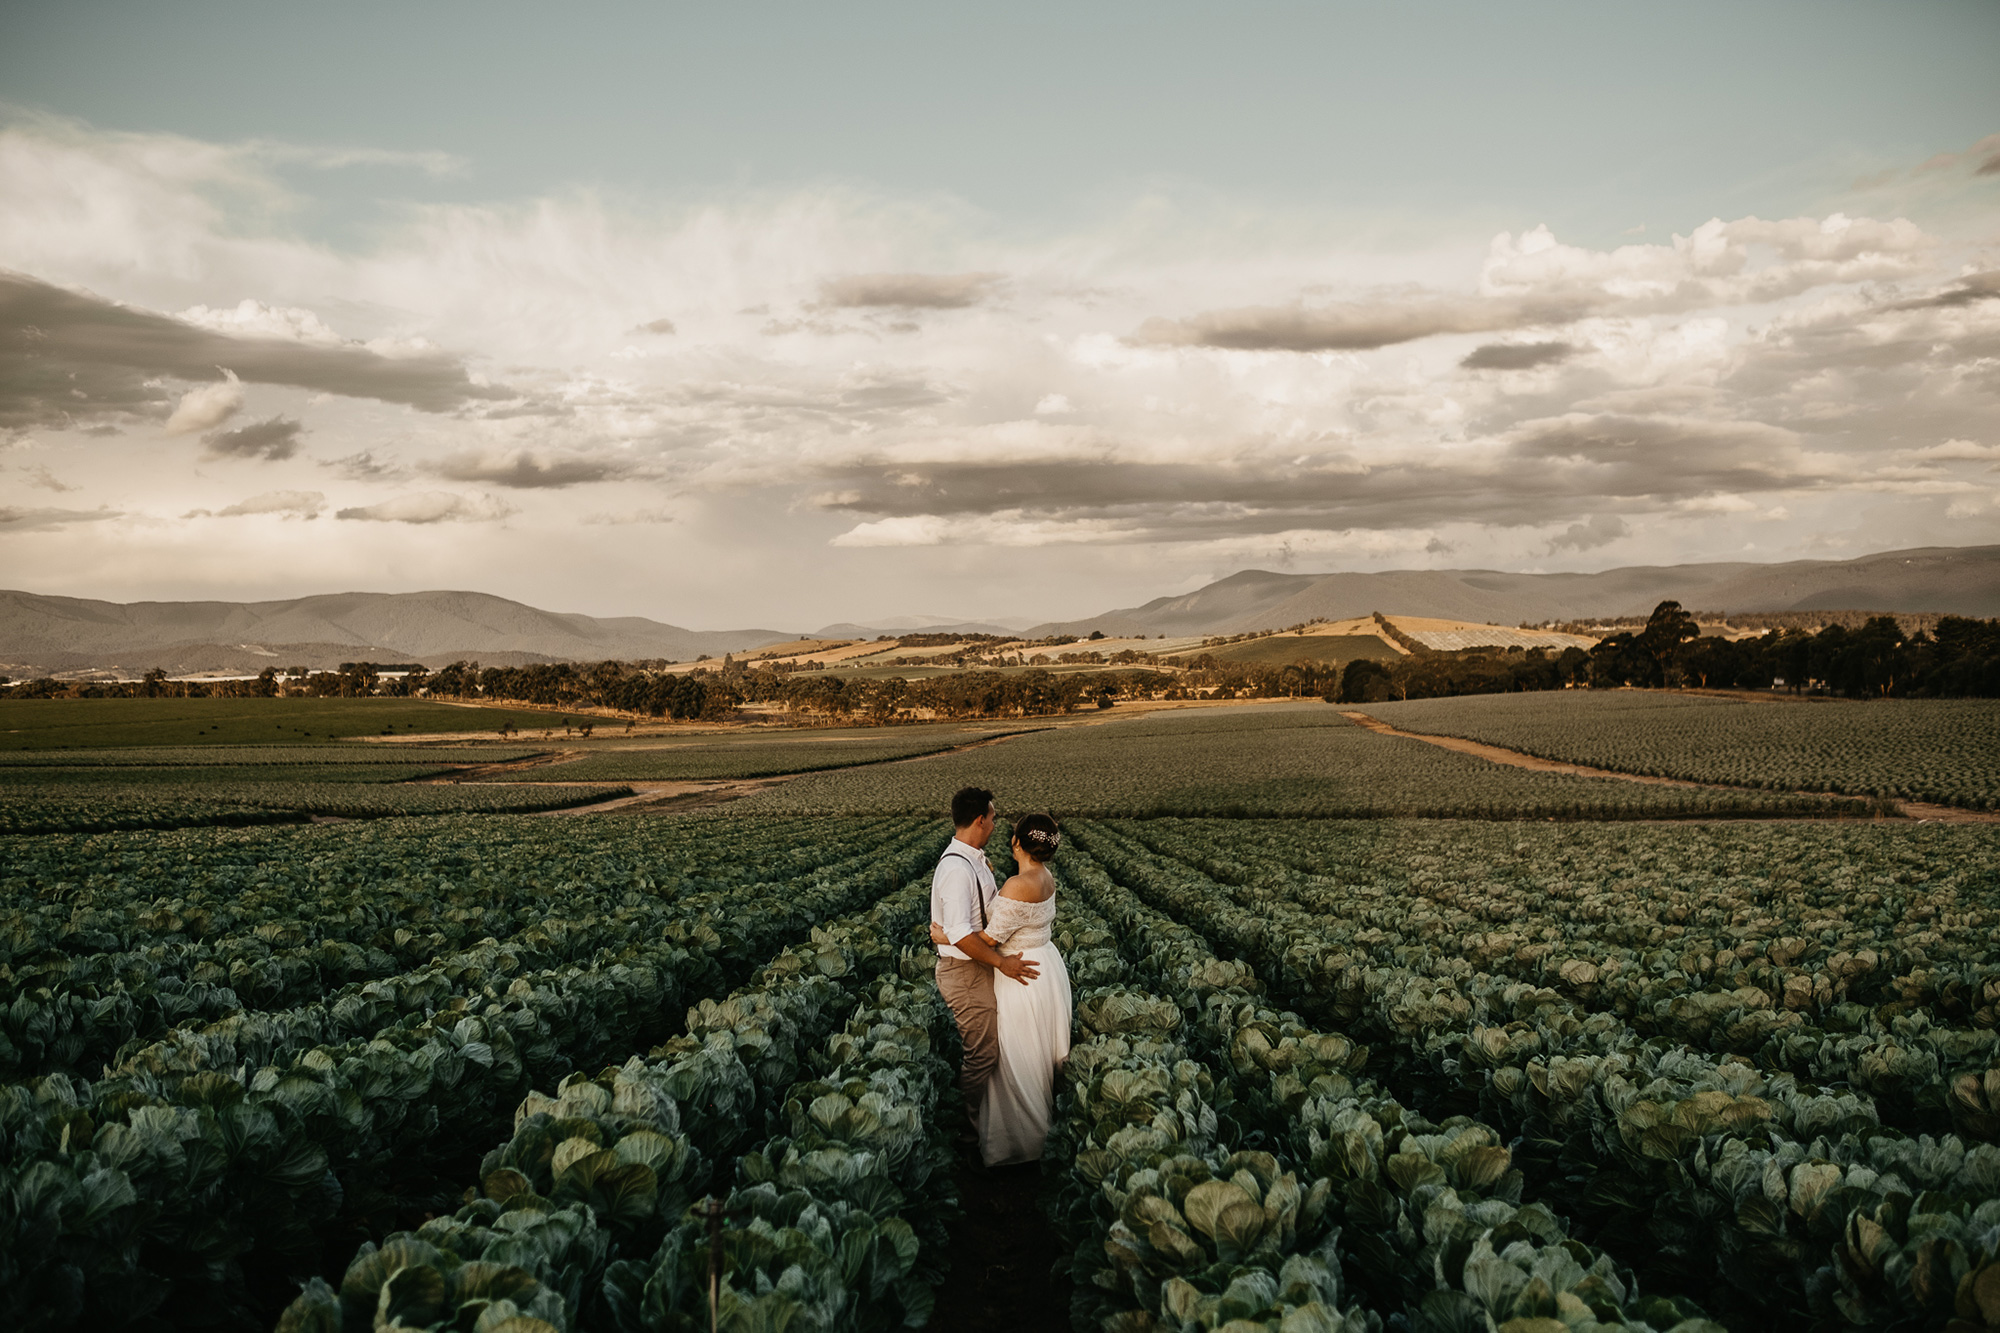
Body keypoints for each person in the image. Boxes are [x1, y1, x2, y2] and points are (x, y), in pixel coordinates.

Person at [930, 787, 1039, 1138]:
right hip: (964, 972)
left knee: (991, 1048)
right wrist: (1002, 963)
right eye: (993, 817)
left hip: (979, 965)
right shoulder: (957, 870)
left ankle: (990, 1120)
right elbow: (961, 934)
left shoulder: (975, 858)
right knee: (981, 1055)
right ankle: (970, 1130)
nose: (996, 823)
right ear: (980, 820)